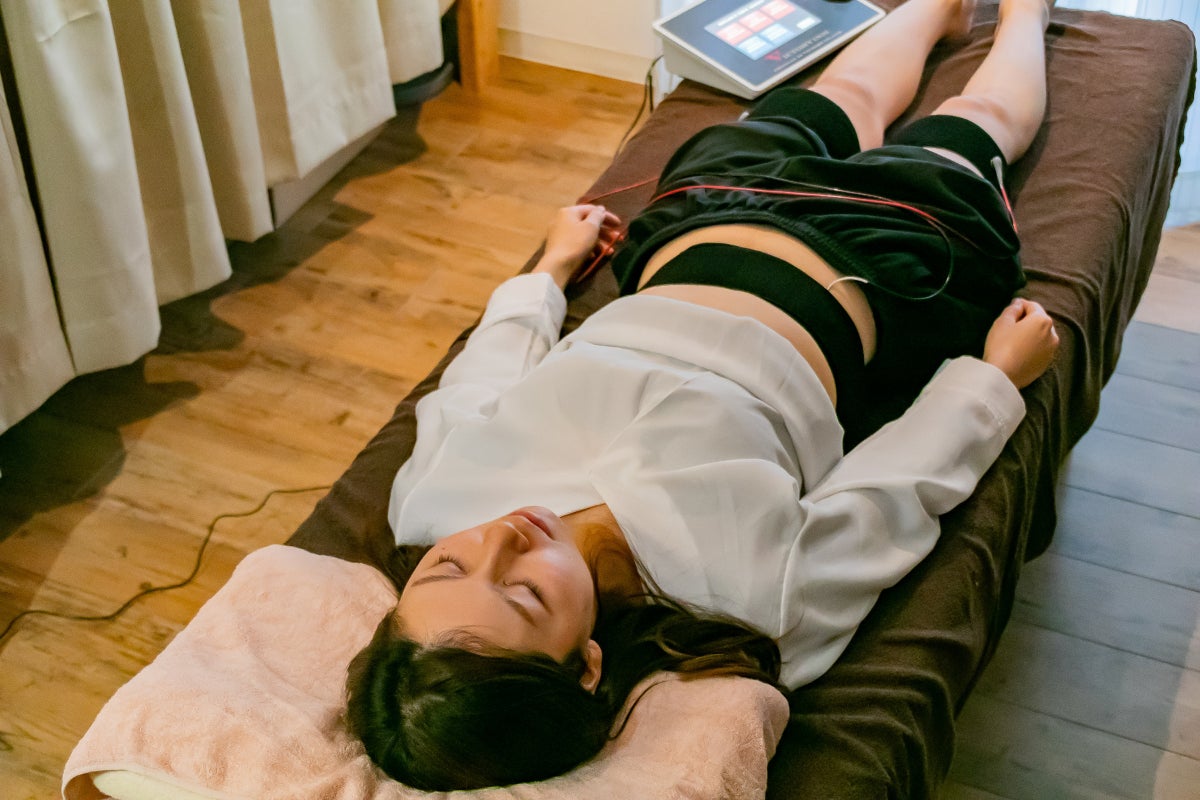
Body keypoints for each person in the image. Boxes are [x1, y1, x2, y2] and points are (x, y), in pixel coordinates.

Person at [346, 0, 1060, 790]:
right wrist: (992, 381)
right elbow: (890, 493)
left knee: (845, 92)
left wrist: (549, 271)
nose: (501, 539)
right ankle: (1026, 12)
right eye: (523, 591)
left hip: (703, 216)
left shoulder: (431, 500)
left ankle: (937, 9)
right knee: (978, 122)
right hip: (881, 256)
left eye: (447, 567)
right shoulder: (749, 602)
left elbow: (483, 372)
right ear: (586, 665)